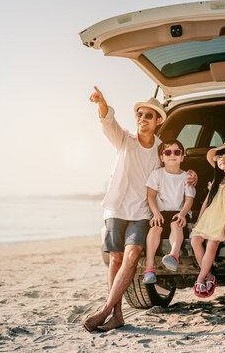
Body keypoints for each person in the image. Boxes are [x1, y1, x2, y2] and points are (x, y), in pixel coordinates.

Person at [83, 87, 197, 332]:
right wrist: (102, 102)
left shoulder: (160, 151)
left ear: (158, 121)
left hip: (143, 212)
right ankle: (117, 314)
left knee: (133, 254)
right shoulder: (124, 139)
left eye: (148, 115)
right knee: (116, 258)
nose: (142, 119)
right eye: (139, 114)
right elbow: (108, 121)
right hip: (116, 208)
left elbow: (174, 170)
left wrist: (192, 175)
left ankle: (105, 309)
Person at [190, 141, 225, 298]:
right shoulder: (216, 181)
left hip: (223, 218)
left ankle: (201, 277)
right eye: (219, 157)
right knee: (195, 240)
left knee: (212, 244)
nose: (222, 159)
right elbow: (206, 202)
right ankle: (209, 276)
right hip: (210, 216)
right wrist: (199, 220)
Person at [142, 139, 195, 284]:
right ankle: (149, 269)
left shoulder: (187, 177)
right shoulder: (157, 174)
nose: (173, 155)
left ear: (182, 157)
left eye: (177, 152)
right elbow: (151, 196)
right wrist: (156, 213)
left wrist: (183, 214)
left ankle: (173, 256)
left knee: (175, 224)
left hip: (179, 212)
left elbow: (189, 199)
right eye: (168, 152)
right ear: (162, 157)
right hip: (161, 212)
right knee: (155, 228)